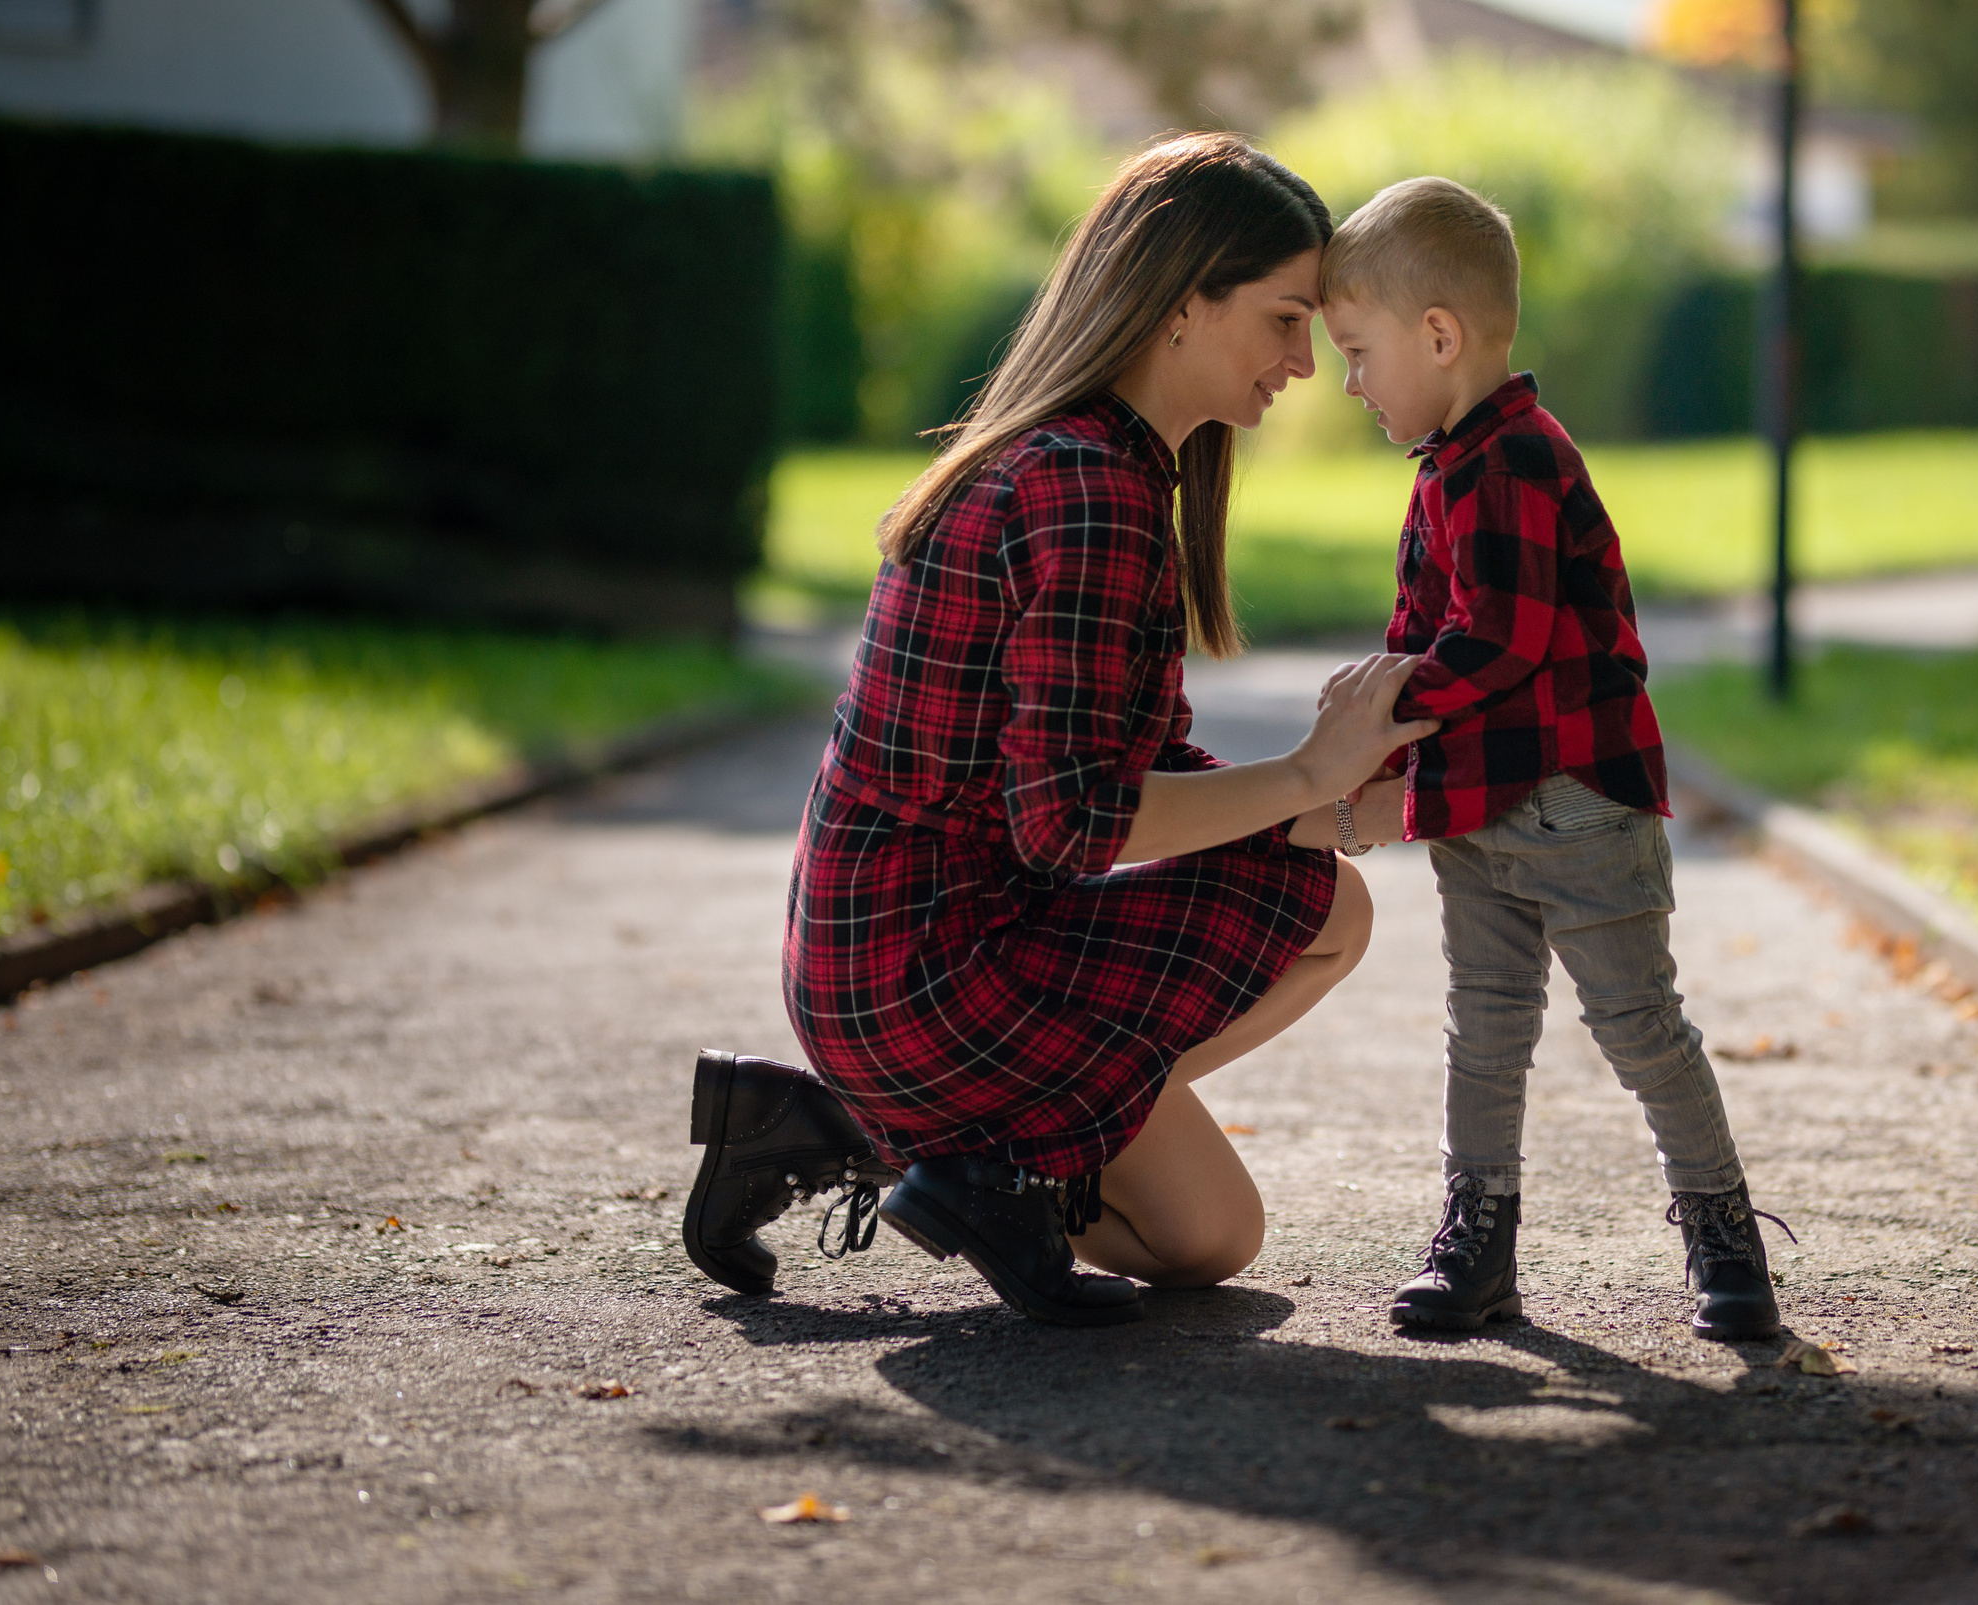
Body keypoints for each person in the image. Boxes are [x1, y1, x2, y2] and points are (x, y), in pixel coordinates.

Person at [681, 133, 1434, 1328]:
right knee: (1324, 908)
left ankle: (858, 1133)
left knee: (1206, 1240)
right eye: (1285, 317)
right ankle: (972, 1155)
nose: (1303, 362)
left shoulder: (1094, 460)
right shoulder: (1087, 488)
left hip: (880, 958)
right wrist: (1308, 774)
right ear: (1185, 302)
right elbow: (1078, 821)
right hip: (929, 965)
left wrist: (1354, 803)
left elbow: (1136, 767)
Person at [1316, 177, 1790, 1341]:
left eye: (1358, 350)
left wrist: (1385, 710)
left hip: (1574, 801)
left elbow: (1500, 637)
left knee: (1637, 1022)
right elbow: (1442, 630)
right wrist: (1396, 763)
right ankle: (1478, 1239)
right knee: (1483, 1026)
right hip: (1479, 808)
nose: (1348, 379)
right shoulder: (1446, 463)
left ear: (1440, 335)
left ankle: (1722, 1227)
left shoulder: (1513, 459)